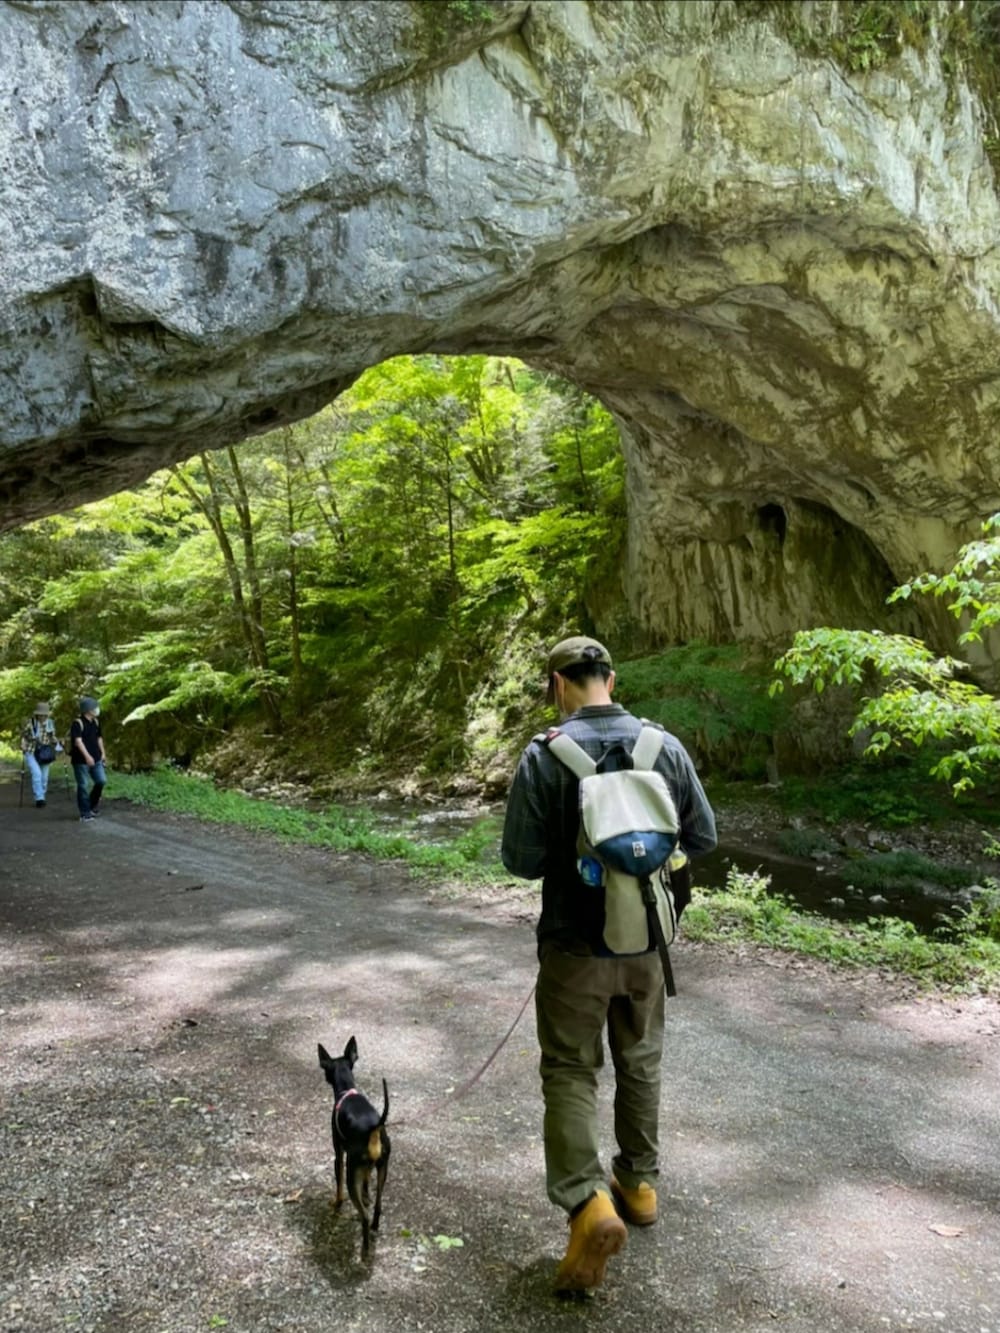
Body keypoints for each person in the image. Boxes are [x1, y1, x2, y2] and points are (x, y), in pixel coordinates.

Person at [501, 635, 717, 1295]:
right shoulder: (664, 746)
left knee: (570, 1069)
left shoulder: (545, 756)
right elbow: (702, 836)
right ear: (610, 679)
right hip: (646, 943)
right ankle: (639, 1183)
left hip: (572, 947)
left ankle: (585, 1198)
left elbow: (521, 859)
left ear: (558, 686)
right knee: (641, 1058)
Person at [69, 696, 107, 823]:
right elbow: (78, 741)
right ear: (88, 710)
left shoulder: (96, 722)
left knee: (101, 781)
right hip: (81, 760)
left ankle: (91, 805)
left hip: (96, 758)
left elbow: (99, 738)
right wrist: (87, 756)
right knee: (83, 785)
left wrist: (103, 753)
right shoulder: (77, 723)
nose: (96, 709)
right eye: (94, 707)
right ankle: (84, 813)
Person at [19, 701, 59, 808]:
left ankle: (42, 795)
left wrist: (57, 742)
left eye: (44, 714)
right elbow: (23, 736)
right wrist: (22, 745)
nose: (42, 716)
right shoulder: (30, 723)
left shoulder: (50, 723)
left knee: (44, 777)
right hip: (31, 751)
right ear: (37, 714)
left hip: (45, 752)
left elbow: (52, 737)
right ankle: (39, 798)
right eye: (40, 714)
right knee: (37, 774)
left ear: (47, 714)